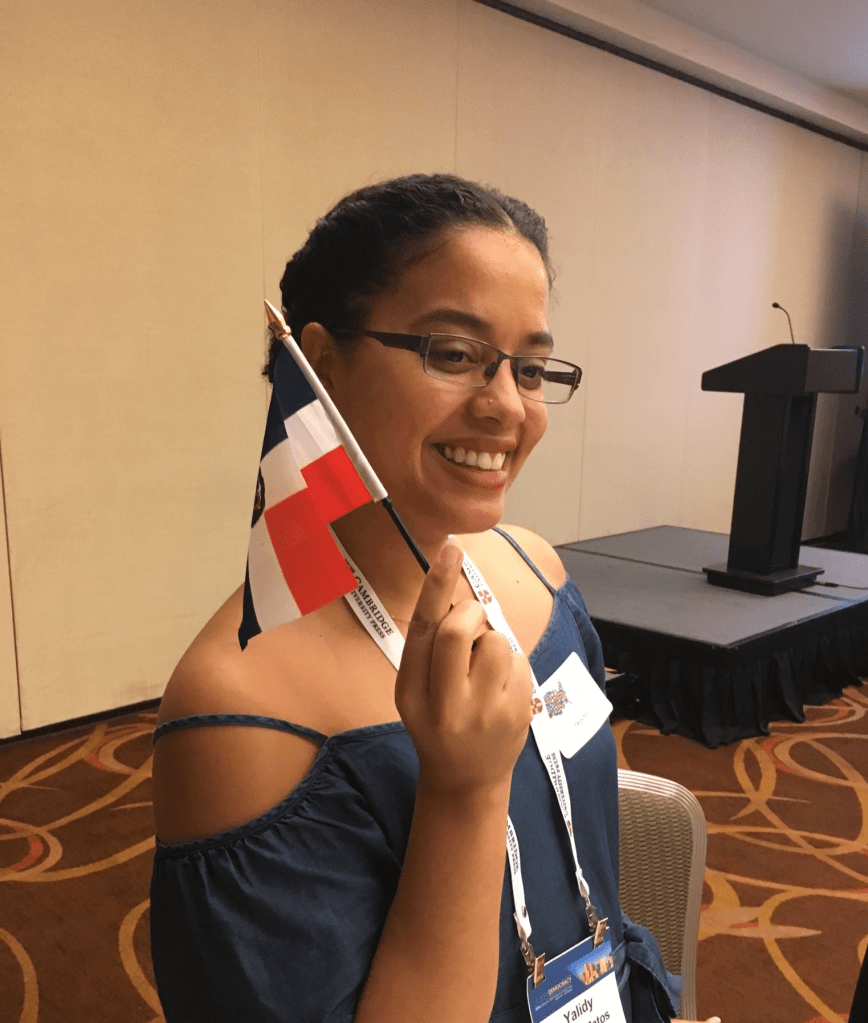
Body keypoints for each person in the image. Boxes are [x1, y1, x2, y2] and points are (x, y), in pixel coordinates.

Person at [150, 173, 712, 1023]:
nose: (507, 406)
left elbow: (582, 851)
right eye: (454, 354)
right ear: (321, 364)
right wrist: (461, 790)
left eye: (529, 367)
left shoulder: (538, 572)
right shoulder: (237, 713)